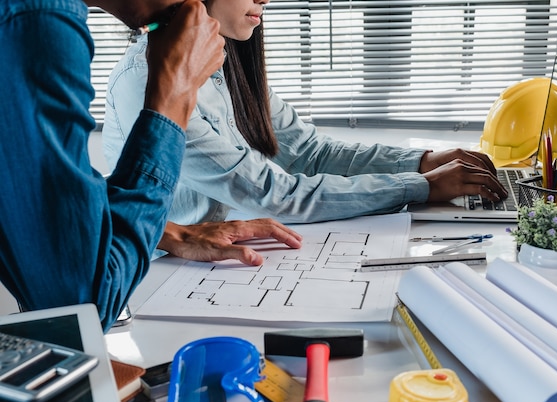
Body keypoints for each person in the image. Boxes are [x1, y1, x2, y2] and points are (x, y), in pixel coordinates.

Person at [103, 0, 508, 255]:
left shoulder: (228, 62)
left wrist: (420, 161)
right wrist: (421, 186)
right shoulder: (148, 77)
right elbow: (271, 194)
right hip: (160, 274)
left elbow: (310, 153)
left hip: (217, 257)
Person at [0, 0, 300, 332]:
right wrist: (175, 92)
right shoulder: (36, 22)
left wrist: (167, 231)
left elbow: (33, 210)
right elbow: (82, 305)